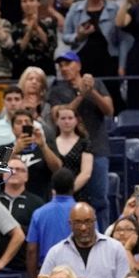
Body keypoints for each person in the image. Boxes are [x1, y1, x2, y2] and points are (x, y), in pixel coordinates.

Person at [47, 51, 114, 230]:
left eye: (68, 64)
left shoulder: (96, 83)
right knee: (69, 200)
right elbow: (61, 115)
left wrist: (91, 92)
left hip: (97, 147)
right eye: (61, 66)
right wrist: (81, 95)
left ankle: (102, 236)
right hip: (69, 151)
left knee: (99, 198)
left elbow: (108, 110)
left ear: (78, 65)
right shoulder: (57, 89)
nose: (64, 68)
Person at [26, 168, 75, 278]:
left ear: (53, 189)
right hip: (76, 274)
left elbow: (32, 250)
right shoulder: (83, 213)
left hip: (48, 275)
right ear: (73, 187)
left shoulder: (39, 213)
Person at [10, 0, 57, 78]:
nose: (28, 4)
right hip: (23, 71)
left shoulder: (48, 24)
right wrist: (29, 30)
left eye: (31, 0)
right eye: (24, 1)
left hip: (46, 70)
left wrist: (37, 27)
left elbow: (51, 45)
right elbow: (18, 50)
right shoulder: (16, 27)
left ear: (38, 2)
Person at [51, 105, 93, 200]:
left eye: (70, 118)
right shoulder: (51, 143)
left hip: (79, 193)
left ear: (76, 120)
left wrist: (68, 192)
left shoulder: (84, 143)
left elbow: (86, 173)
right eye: (63, 118)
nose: (67, 122)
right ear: (57, 121)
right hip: (54, 194)